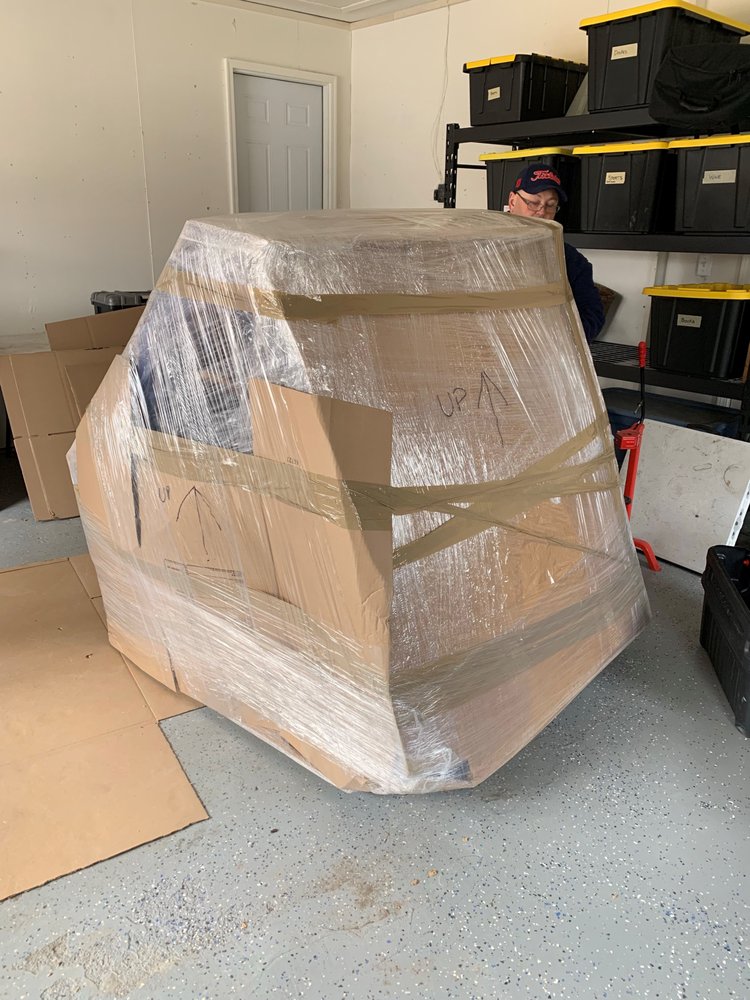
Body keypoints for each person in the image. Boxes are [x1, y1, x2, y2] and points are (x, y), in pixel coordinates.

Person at [506, 163, 605, 343]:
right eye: (533, 203)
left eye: (550, 205)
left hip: (546, 353)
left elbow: (593, 315)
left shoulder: (569, 259)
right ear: (513, 201)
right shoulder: (482, 251)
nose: (541, 212)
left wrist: (560, 336)